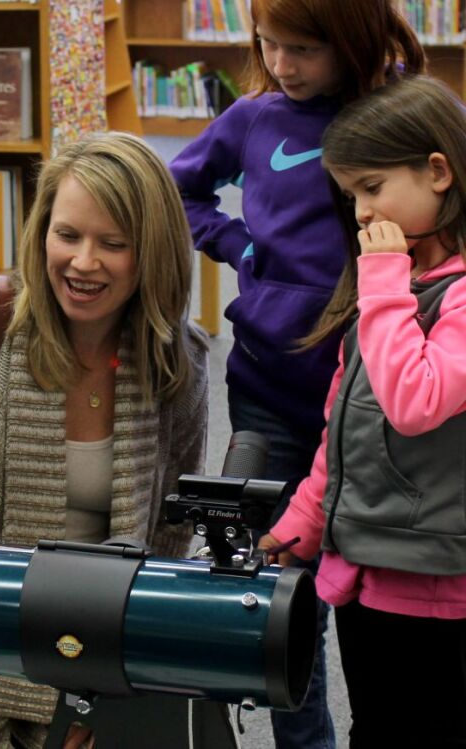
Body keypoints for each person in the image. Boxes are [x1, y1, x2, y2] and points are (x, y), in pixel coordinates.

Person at [0, 132, 236, 748]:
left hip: (92, 663)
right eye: (68, 235)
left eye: (114, 244)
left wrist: (113, 688)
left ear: (154, 253)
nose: (83, 262)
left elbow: (168, 529)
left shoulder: (176, 361)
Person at [168, 2, 425, 746]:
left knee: (375, 595)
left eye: (304, 48)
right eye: (269, 44)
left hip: (380, 403)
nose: (282, 64)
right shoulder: (253, 117)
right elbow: (180, 192)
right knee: (279, 597)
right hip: (269, 395)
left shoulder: (402, 117)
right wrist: (241, 248)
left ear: (351, 38)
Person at [258, 74, 466, 747]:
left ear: (438, 171)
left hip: (439, 590)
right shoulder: (396, 290)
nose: (358, 213)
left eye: (371, 189)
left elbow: (415, 401)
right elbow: (344, 436)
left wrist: (382, 283)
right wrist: (295, 531)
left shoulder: (441, 296)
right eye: (351, 195)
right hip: (369, 577)